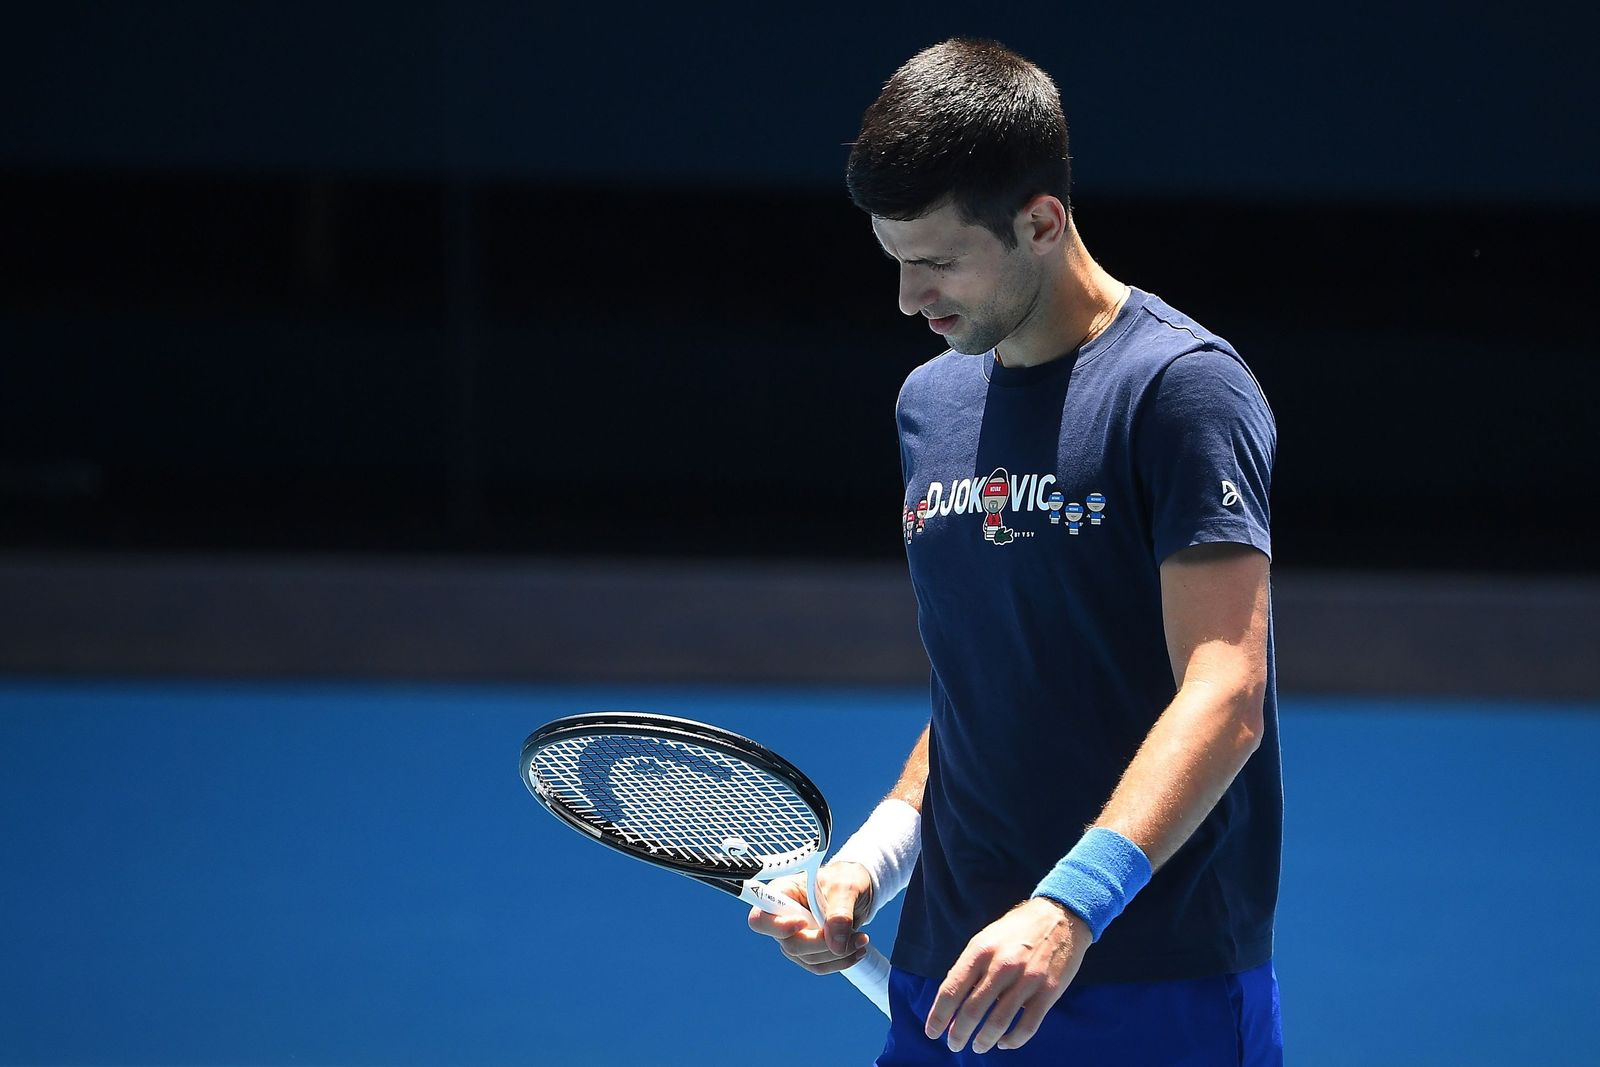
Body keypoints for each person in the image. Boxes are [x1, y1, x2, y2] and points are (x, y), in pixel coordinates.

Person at [748, 38, 1283, 1064]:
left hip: (1149, 975)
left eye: (938, 261)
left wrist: (1066, 909)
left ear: (1041, 221)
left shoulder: (1180, 388)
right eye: (893, 260)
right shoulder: (928, 402)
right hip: (948, 977)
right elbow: (984, 690)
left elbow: (1225, 691)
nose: (908, 298)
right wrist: (866, 864)